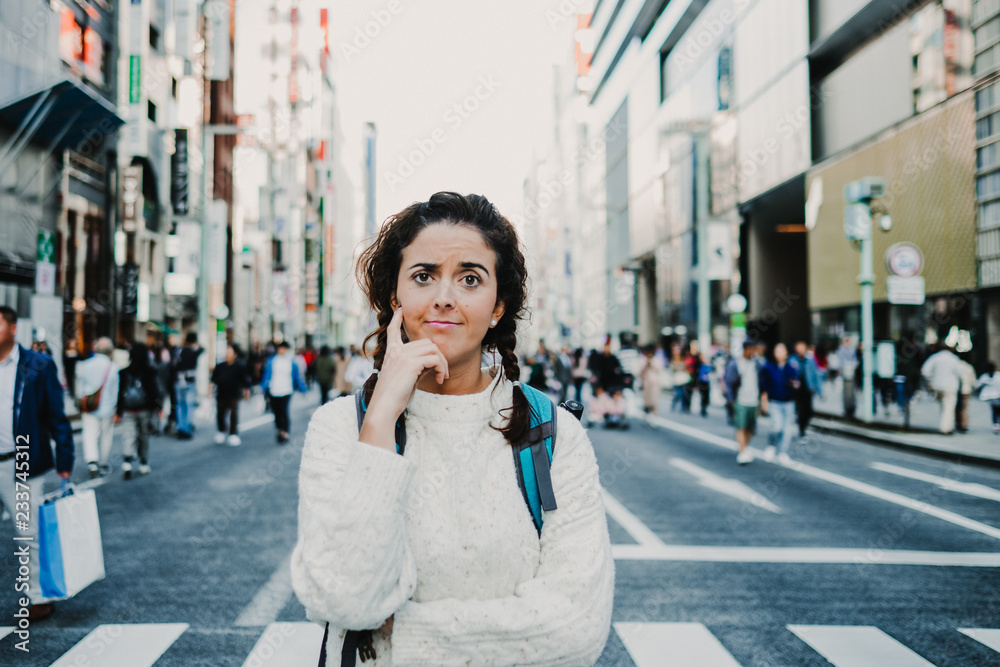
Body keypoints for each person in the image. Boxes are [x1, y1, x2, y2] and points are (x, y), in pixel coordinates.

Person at [290, 192, 613, 664]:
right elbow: (346, 599)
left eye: (469, 278)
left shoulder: (552, 432)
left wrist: (395, 640)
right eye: (424, 276)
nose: (444, 296)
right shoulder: (341, 427)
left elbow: (575, 627)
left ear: (498, 306)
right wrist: (380, 421)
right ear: (395, 296)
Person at [0, 306, 74, 620]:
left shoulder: (37, 365)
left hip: (22, 463)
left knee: (27, 532)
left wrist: (65, 458)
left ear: (13, 328)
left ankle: (37, 596)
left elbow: (56, 415)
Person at [114, 343, 163, 479]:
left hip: (129, 409)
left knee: (128, 435)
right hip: (145, 409)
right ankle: (143, 463)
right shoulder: (149, 371)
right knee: (143, 436)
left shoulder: (124, 372)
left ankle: (127, 462)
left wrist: (119, 411)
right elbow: (154, 391)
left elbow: (120, 393)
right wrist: (158, 408)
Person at [74, 336, 120, 478]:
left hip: (89, 406)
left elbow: (79, 386)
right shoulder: (113, 367)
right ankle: (103, 462)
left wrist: (81, 400)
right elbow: (115, 390)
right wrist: (115, 407)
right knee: (106, 435)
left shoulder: (85, 365)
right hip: (107, 407)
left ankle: (92, 461)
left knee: (89, 433)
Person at [759, 342, 798, 463]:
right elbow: (764, 386)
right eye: (777, 351)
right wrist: (764, 402)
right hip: (775, 401)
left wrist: (795, 385)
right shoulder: (768, 368)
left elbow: (796, 382)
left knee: (787, 430)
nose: (779, 353)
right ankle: (771, 445)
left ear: (786, 353)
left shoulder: (791, 368)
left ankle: (782, 452)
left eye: (782, 351)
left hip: (788, 402)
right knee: (776, 427)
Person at [262, 341, 307, 444]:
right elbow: (266, 375)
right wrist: (263, 388)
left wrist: (302, 389)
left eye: (284, 348)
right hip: (273, 390)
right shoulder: (272, 361)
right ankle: (279, 430)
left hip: (286, 390)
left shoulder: (291, 362)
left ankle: (285, 432)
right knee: (276, 412)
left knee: (283, 411)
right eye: (280, 348)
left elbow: (297, 377)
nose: (282, 350)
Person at [725, 342, 762, 465]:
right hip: (740, 400)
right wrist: (732, 400)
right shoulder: (736, 364)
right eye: (751, 349)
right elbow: (729, 382)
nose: (753, 352)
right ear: (746, 349)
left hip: (754, 400)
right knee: (741, 427)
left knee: (750, 428)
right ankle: (742, 451)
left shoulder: (757, 363)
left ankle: (745, 447)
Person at [210, 344, 250, 446]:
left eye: (230, 352)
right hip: (221, 394)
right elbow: (213, 380)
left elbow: (244, 381)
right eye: (226, 352)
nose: (227, 354)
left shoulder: (239, 367)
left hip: (234, 394)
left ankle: (233, 434)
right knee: (220, 413)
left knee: (233, 414)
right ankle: (221, 431)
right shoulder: (220, 366)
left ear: (235, 354)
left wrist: (246, 393)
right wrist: (209, 391)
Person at [920, 345, 964, 434]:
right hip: (951, 386)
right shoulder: (954, 359)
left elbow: (925, 371)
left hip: (937, 386)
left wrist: (930, 382)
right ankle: (946, 428)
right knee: (949, 407)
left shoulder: (935, 357)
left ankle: (947, 425)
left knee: (943, 407)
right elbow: (960, 373)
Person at [173, 332, 202, 439]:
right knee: (189, 405)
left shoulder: (178, 351)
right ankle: (187, 428)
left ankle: (180, 428)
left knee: (179, 405)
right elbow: (202, 349)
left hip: (178, 380)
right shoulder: (194, 352)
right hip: (189, 381)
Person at [790, 341, 821, 439]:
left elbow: (816, 374)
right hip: (796, 390)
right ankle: (801, 428)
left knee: (808, 411)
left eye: (803, 348)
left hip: (808, 388)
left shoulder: (810, 360)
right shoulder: (792, 360)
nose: (801, 351)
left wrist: (819, 390)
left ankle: (803, 424)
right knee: (799, 409)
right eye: (799, 348)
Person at [976, 362, 1000, 433]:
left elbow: (977, 386)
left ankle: (995, 424)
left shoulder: (984, 377)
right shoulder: (998, 375)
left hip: (991, 397)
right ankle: (997, 424)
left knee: (994, 411)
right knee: (997, 411)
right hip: (998, 396)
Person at [955, 357, 977, 433]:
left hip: (956, 390)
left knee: (956, 407)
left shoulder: (956, 365)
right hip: (966, 390)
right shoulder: (969, 367)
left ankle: (958, 423)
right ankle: (964, 424)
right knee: (964, 408)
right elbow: (973, 380)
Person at [638, 344, 661, 414]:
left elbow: (659, 369)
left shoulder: (656, 359)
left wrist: (651, 363)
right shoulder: (643, 359)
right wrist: (646, 364)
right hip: (646, 383)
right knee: (646, 400)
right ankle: (646, 413)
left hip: (654, 383)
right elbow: (640, 372)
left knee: (654, 400)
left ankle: (654, 414)